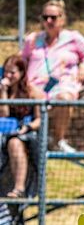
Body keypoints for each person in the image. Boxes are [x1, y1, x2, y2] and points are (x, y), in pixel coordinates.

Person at [21, 0, 84, 152]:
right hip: (34, 88)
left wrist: (83, 64)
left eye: (54, 17)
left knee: (64, 99)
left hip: (63, 86)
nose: (49, 21)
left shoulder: (73, 38)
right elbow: (21, 62)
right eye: (45, 17)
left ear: (62, 19)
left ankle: (57, 140)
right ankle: (40, 132)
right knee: (37, 97)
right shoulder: (33, 40)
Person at [0, 54, 44, 198]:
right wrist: (4, 92)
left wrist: (28, 127)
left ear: (21, 73)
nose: (8, 75)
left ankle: (19, 188)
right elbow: (4, 115)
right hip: (4, 132)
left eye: (12, 72)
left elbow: (39, 120)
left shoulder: (32, 92)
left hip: (26, 133)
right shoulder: (3, 91)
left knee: (15, 143)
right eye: (5, 71)